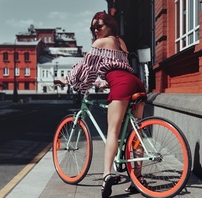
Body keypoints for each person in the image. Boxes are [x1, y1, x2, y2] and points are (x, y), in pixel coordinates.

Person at [63, 11, 146, 198]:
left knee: (113, 133)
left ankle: (107, 175)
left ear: (110, 25)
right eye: (93, 28)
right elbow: (120, 67)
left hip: (122, 85)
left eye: (99, 26)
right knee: (136, 132)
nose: (96, 30)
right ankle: (138, 180)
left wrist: (66, 79)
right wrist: (103, 82)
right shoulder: (121, 42)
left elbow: (86, 69)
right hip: (136, 82)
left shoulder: (100, 43)